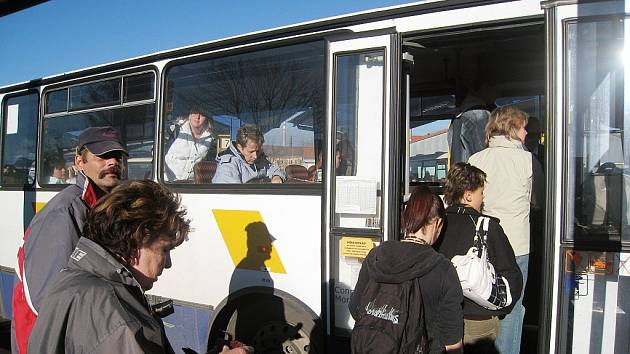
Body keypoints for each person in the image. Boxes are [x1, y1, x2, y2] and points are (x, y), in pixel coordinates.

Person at [26, 180, 252, 354]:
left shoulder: (75, 280)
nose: (169, 263)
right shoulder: (117, 315)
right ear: (137, 239)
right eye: (164, 250)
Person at [11, 126, 128, 354]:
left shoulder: (102, 208)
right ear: (79, 161)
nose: (112, 162)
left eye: (117, 156)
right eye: (102, 155)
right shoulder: (64, 212)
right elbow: (49, 302)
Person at [349, 186, 463, 353]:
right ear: (438, 223)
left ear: (406, 218)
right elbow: (452, 341)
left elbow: (355, 307)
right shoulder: (442, 268)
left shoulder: (377, 255)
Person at [467, 106, 542, 354]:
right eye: (523, 128)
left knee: (482, 300)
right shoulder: (529, 161)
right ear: (513, 128)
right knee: (512, 308)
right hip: (517, 247)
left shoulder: (475, 160)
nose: (526, 133)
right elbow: (539, 202)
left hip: (482, 243)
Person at [436, 162, 523, 351]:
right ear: (468, 195)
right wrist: (501, 309)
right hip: (477, 321)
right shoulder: (487, 226)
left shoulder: (437, 224)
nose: (483, 198)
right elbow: (512, 275)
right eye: (481, 192)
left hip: (440, 318)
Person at [213, 124, 286, 184]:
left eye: (257, 151)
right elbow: (232, 196)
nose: (255, 156)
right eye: (251, 152)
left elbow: (275, 170)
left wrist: (276, 177)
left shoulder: (260, 159)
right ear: (239, 147)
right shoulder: (228, 166)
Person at [164, 107, 217, 182]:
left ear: (207, 118)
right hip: (168, 182)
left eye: (202, 114)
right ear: (190, 115)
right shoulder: (175, 130)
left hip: (191, 186)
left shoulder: (212, 139)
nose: (197, 117)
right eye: (194, 113)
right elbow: (157, 152)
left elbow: (209, 165)